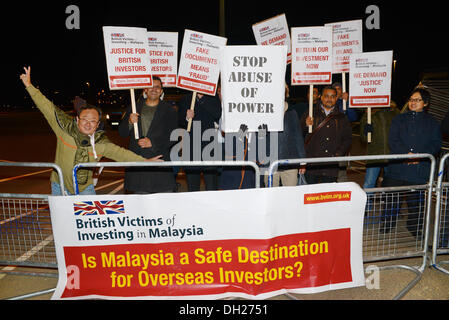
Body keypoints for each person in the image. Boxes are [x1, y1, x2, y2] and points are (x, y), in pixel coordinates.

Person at [19, 66, 163, 195]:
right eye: (85, 120)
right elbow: (47, 108)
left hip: (85, 190)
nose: (88, 124)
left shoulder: (101, 143)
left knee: (89, 222)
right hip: (59, 186)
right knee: (63, 224)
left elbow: (122, 154)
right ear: (77, 120)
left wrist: (145, 160)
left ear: (97, 124)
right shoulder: (64, 129)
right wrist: (29, 86)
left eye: (93, 121)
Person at [381, 87, 442, 236]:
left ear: (425, 103)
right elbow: (393, 140)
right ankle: (387, 224)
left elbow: (436, 143)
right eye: (411, 99)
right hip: (398, 168)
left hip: (418, 169)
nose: (413, 102)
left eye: (417, 100)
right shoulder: (399, 119)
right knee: (392, 199)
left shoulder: (432, 122)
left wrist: (420, 156)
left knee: (416, 202)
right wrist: (406, 154)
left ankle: (414, 226)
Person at [118, 77, 178, 194]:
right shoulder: (134, 107)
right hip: (138, 164)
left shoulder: (169, 110)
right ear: (145, 89)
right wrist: (129, 122)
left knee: (163, 206)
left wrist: (153, 143)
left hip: (160, 163)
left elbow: (174, 136)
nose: (154, 89)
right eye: (151, 86)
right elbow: (122, 133)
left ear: (161, 91)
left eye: (157, 87)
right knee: (140, 206)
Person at [300, 86, 352, 184]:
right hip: (312, 164)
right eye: (326, 96)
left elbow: (348, 139)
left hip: (331, 165)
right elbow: (299, 135)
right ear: (321, 97)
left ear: (336, 98)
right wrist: (305, 125)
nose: (329, 99)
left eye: (332, 96)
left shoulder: (341, 117)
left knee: (328, 195)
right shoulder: (310, 113)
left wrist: (338, 154)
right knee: (310, 195)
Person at [262, 83, 307, 187]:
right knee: (271, 196)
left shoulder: (292, 113)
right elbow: (260, 136)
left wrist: (303, 161)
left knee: (290, 196)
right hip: (270, 163)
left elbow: (298, 138)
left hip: (290, 164)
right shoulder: (263, 112)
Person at [178, 91, 222, 191]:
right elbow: (180, 121)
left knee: (211, 186)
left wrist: (202, 99)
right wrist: (186, 117)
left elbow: (218, 114)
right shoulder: (185, 99)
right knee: (192, 186)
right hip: (191, 147)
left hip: (209, 146)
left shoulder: (212, 97)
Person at [360, 101, 400, 189]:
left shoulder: (394, 112)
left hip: (391, 154)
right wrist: (365, 132)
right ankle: (368, 203)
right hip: (374, 154)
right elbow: (364, 139)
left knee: (391, 184)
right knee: (369, 183)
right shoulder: (369, 114)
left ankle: (388, 202)